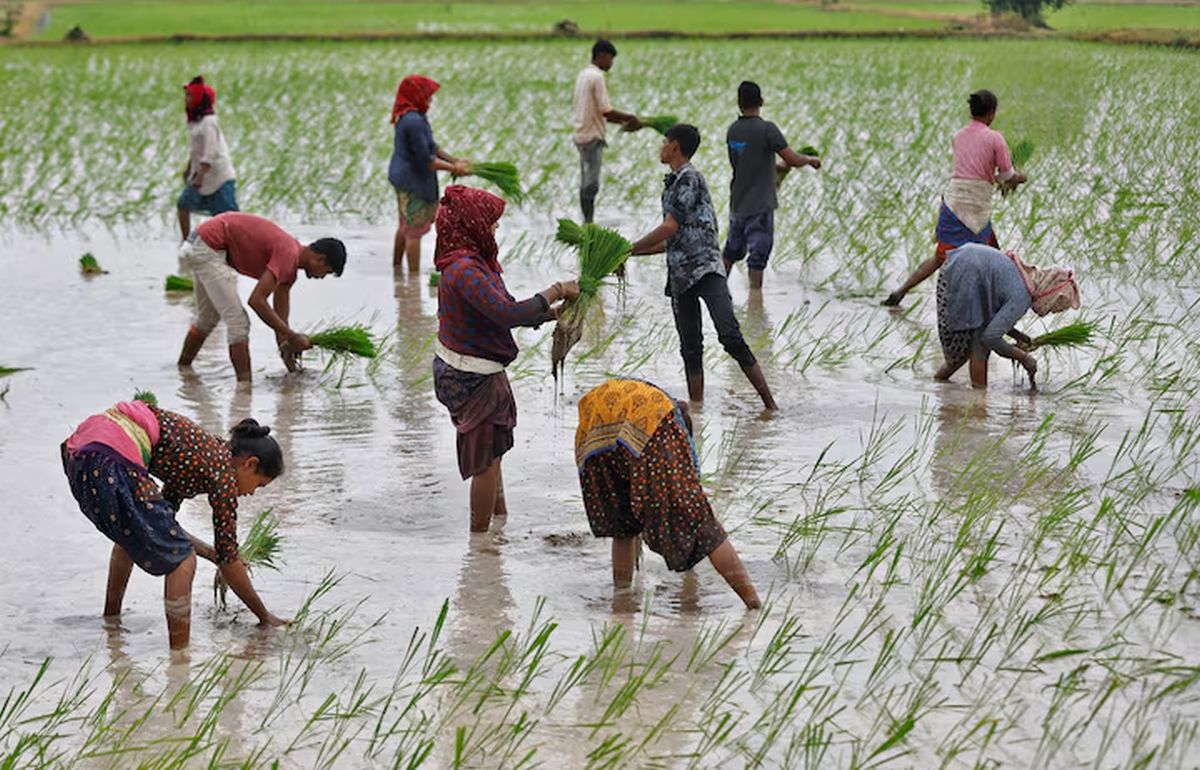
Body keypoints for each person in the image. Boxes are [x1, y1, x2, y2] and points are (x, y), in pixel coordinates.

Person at [62, 401, 289, 648]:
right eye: (259, 485)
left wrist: (216, 556)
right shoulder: (222, 474)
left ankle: (111, 621)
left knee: (132, 533)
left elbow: (162, 527)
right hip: (112, 457)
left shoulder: (201, 456)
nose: (252, 493)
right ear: (250, 464)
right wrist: (265, 617)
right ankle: (179, 657)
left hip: (82, 452)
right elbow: (229, 560)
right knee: (182, 560)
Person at [432, 185, 580, 532]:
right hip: (469, 376)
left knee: (493, 453)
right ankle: (480, 545)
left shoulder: (476, 263)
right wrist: (556, 289)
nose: (495, 229)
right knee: (485, 463)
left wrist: (551, 314)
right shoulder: (463, 270)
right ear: (472, 223)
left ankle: (498, 525)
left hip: (478, 370)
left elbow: (509, 309)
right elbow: (506, 314)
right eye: (492, 223)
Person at [575, 379, 761, 608]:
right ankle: (754, 606)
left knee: (623, 527)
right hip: (640, 417)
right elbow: (689, 492)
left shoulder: (660, 401)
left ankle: (622, 599)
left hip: (593, 423)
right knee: (703, 525)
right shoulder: (670, 422)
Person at [629, 124, 777, 410]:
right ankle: (696, 410)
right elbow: (673, 239)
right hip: (680, 274)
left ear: (674, 146)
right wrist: (628, 254)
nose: (660, 147)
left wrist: (632, 247)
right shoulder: (672, 183)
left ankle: (770, 406)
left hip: (706, 270)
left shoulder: (689, 178)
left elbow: (669, 227)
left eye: (664, 142)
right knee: (690, 348)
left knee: (730, 335)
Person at [883, 89, 1028, 307]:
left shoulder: (958, 136)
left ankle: (901, 291)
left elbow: (973, 172)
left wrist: (996, 179)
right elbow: (1007, 176)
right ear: (992, 113)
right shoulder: (995, 138)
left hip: (953, 202)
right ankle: (995, 306)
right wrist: (1020, 177)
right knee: (990, 258)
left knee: (941, 256)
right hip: (976, 206)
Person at [176, 211, 347, 382]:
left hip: (198, 243)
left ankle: (182, 370)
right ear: (320, 259)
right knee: (239, 324)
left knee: (208, 318)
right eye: (327, 272)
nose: (322, 277)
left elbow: (280, 321)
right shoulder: (288, 254)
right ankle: (244, 389)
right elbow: (256, 301)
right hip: (209, 245)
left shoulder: (289, 272)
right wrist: (292, 336)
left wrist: (291, 364)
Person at [935, 242, 1080, 389]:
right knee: (980, 344)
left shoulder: (1025, 281)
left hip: (960, 263)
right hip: (968, 271)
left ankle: (940, 383)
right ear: (1050, 295)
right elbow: (991, 337)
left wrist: (1020, 337)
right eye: (1054, 306)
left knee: (966, 348)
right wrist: (1024, 358)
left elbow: (993, 322)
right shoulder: (1022, 296)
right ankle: (979, 398)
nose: (1051, 310)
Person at [723, 81, 821, 290]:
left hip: (738, 202)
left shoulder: (733, 131)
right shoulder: (767, 129)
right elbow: (792, 159)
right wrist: (809, 160)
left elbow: (748, 163)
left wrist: (780, 166)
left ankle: (717, 291)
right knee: (758, 255)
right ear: (761, 101)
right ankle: (755, 300)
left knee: (731, 251)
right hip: (760, 204)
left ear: (739, 103)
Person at [389, 75, 469, 272]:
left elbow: (432, 147)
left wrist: (454, 160)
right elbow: (425, 160)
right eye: (428, 97)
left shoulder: (414, 116)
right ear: (417, 96)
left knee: (405, 225)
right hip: (411, 181)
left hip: (404, 177)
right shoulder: (413, 120)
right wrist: (454, 169)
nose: (430, 101)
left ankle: (397, 270)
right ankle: (413, 280)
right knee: (413, 232)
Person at [572, 39, 642, 223]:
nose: (611, 63)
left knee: (586, 180)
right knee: (591, 184)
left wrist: (625, 122)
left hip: (580, 133)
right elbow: (606, 110)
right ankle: (588, 222)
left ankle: (587, 221)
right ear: (602, 55)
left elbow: (602, 114)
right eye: (610, 59)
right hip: (591, 136)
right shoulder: (596, 77)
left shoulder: (583, 74)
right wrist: (630, 118)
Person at [176, 76, 239, 242]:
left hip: (219, 177)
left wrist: (200, 175)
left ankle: (238, 245)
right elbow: (196, 150)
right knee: (183, 204)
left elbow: (210, 151)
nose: (186, 99)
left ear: (199, 100)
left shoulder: (209, 122)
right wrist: (189, 169)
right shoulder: (195, 122)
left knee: (229, 218)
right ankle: (186, 242)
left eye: (189, 95)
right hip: (200, 175)